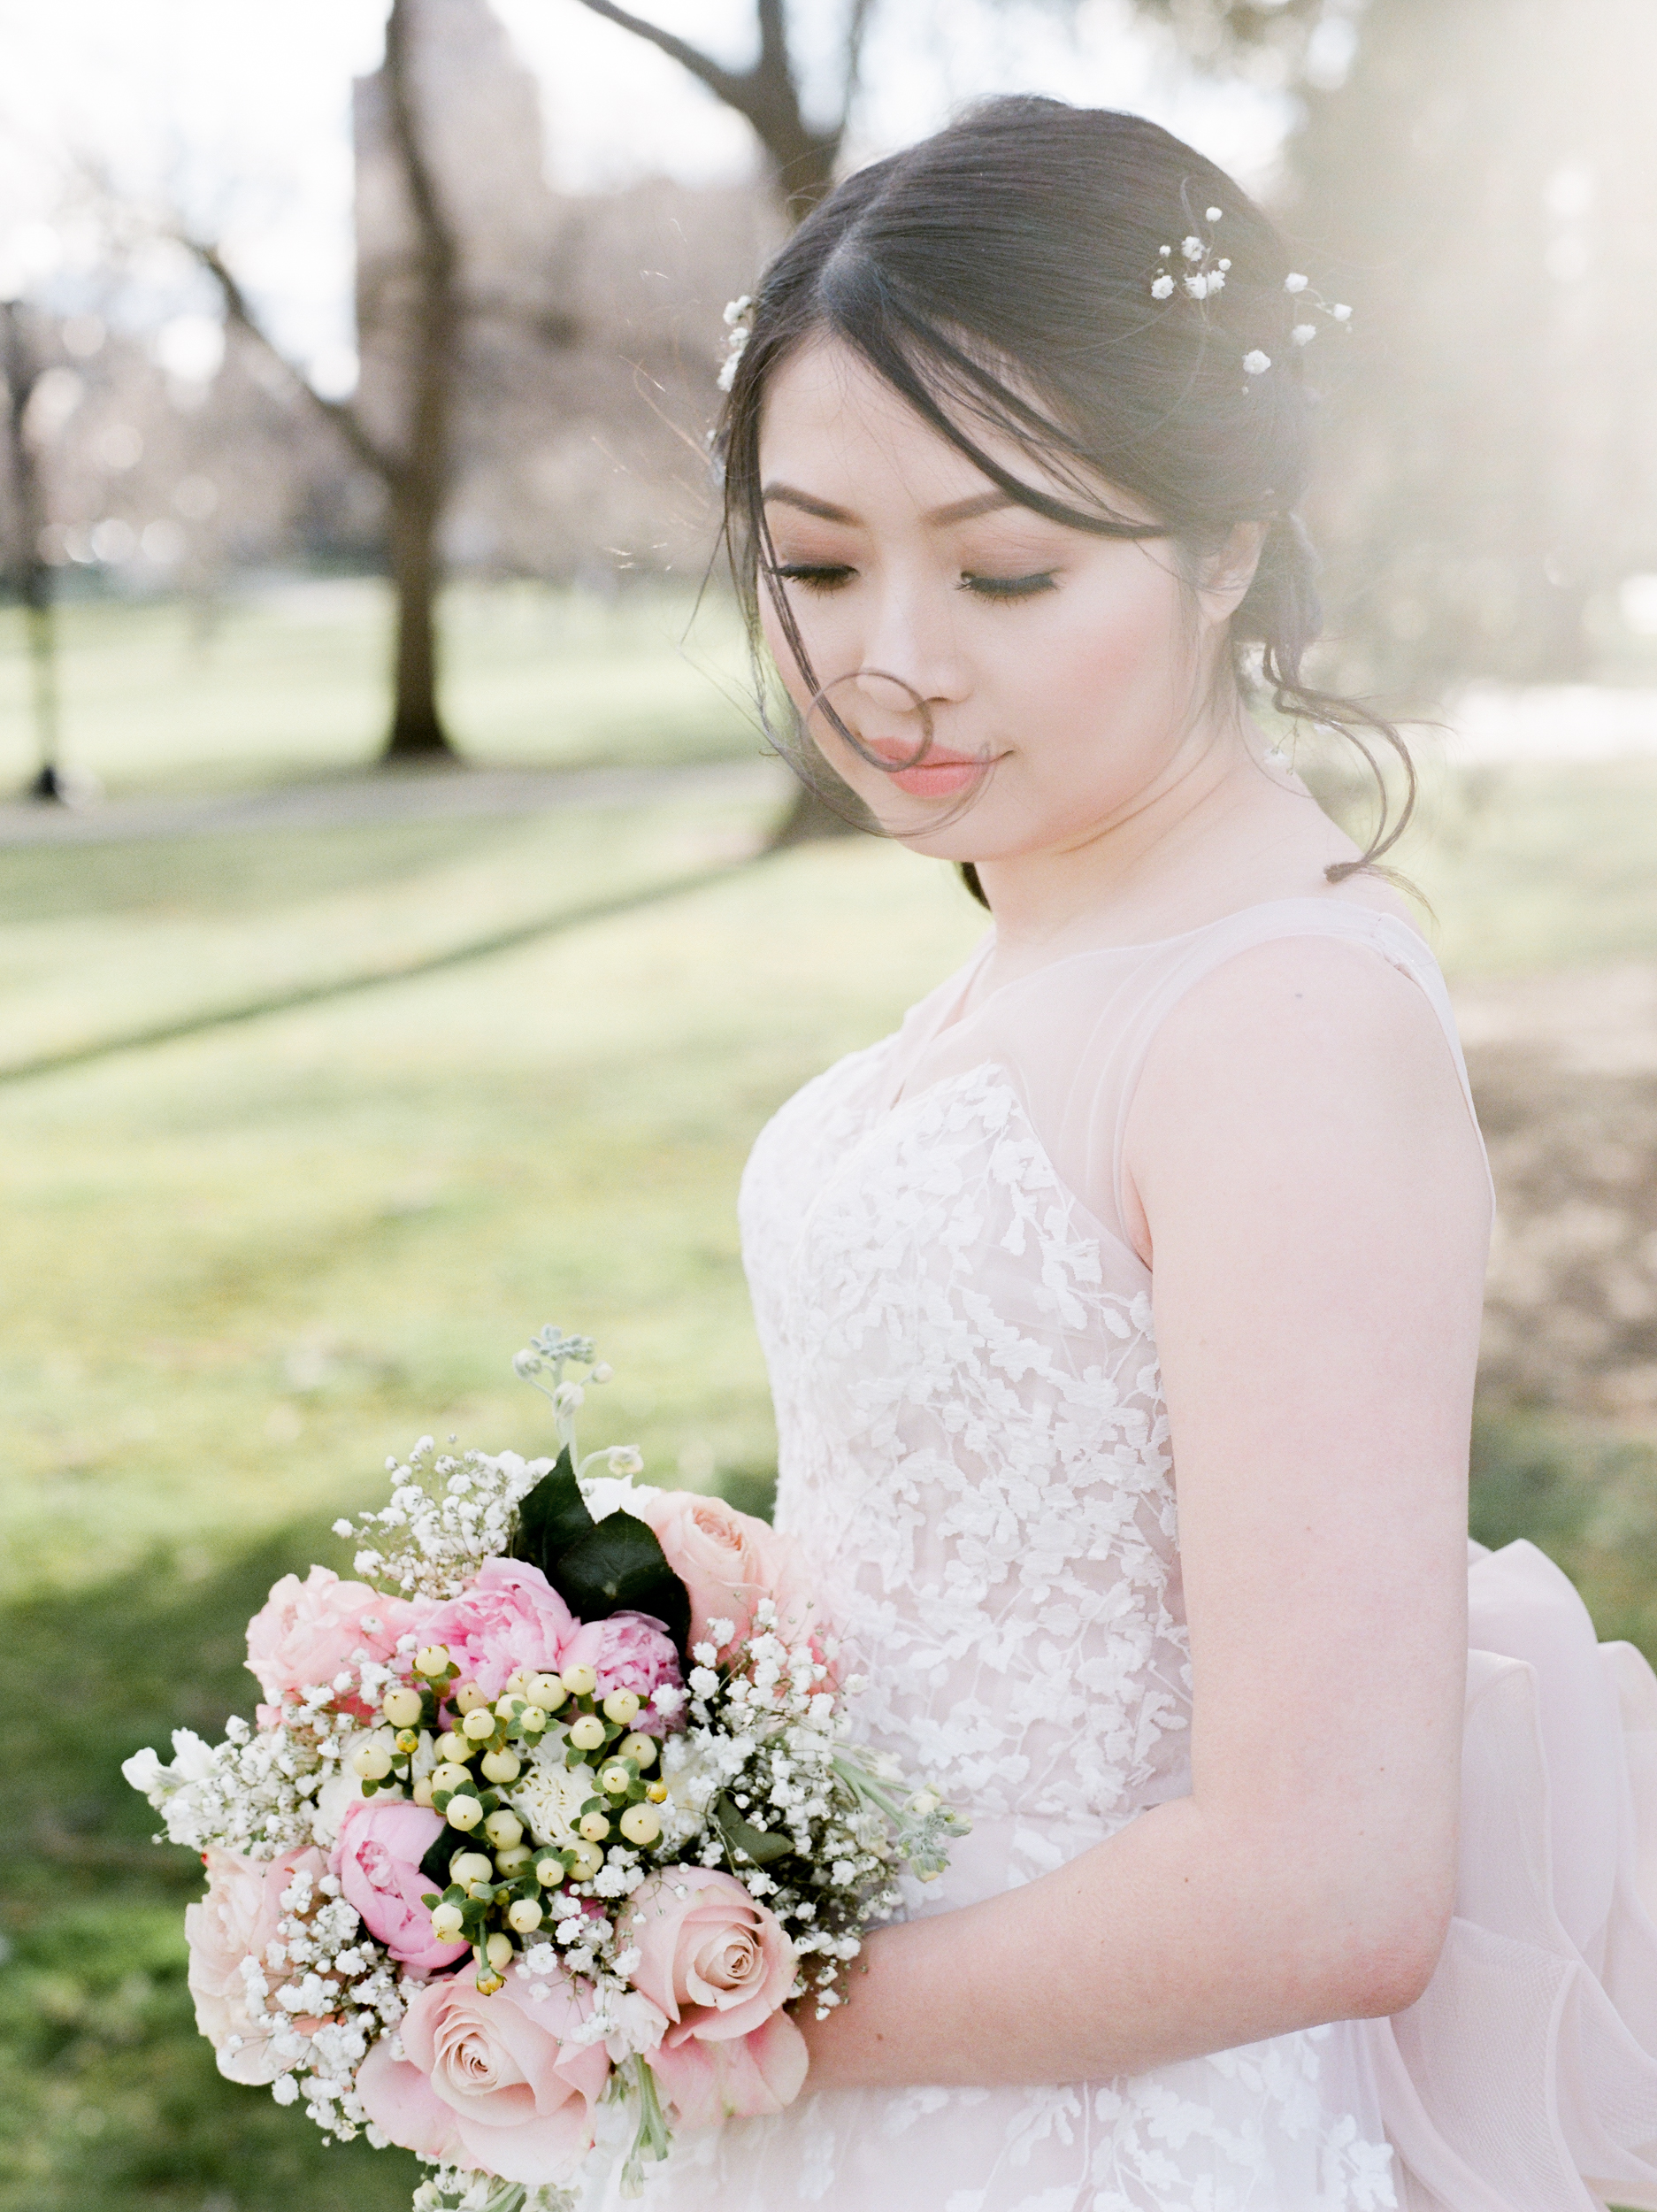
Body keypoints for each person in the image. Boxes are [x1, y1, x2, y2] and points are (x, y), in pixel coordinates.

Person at [621, 97, 1657, 2209]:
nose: (885, 655)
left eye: (1007, 565)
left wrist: (730, 2009)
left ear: (1226, 541)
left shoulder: (1277, 1026)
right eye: (816, 560)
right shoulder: (1060, 928)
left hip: (1083, 2128)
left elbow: (1332, 1872)